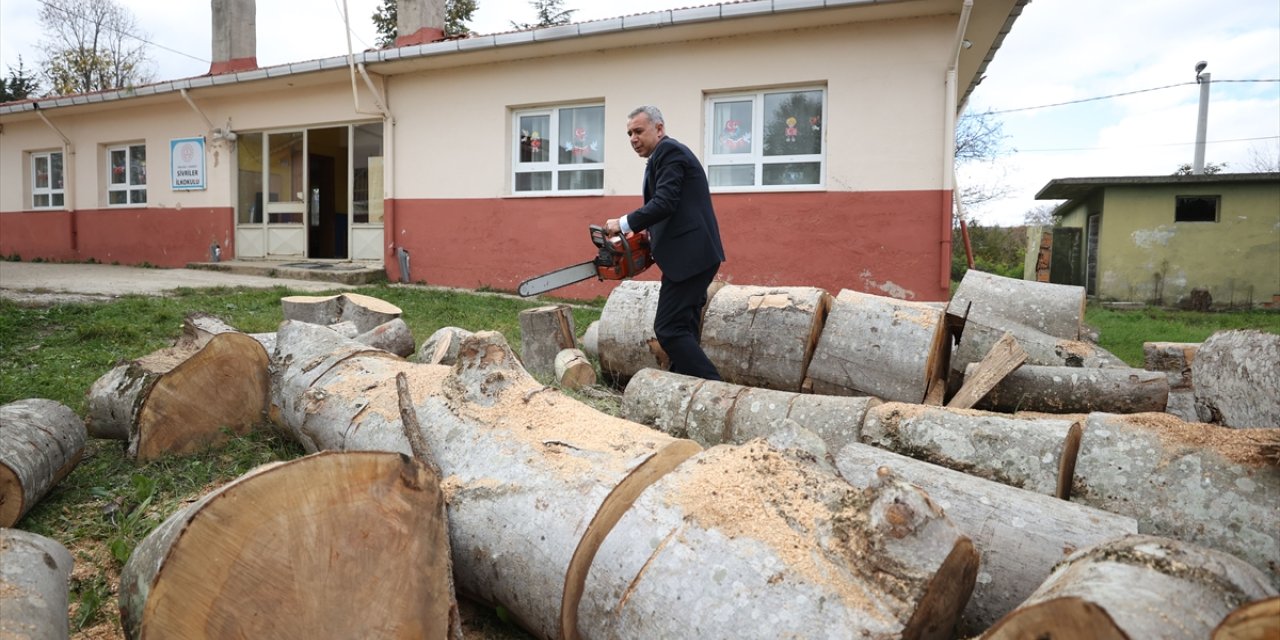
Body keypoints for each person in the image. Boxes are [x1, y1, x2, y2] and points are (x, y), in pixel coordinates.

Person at [606, 106, 725, 381]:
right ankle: (687, 385)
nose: (633, 138)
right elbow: (674, 206)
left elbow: (665, 202)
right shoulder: (660, 157)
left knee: (669, 329)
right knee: (684, 327)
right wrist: (648, 236)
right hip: (691, 255)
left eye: (638, 131)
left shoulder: (671, 152)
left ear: (658, 129)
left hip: (691, 256)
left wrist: (623, 223)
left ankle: (717, 389)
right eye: (629, 134)